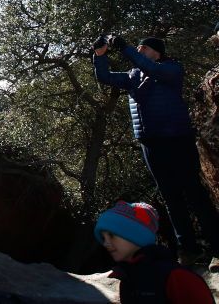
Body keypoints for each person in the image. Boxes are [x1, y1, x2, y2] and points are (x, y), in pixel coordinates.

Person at [93, 35, 219, 272]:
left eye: (145, 47)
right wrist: (99, 55)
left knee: (194, 193)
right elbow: (105, 77)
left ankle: (217, 249)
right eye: (138, 47)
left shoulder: (171, 69)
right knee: (171, 198)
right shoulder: (133, 76)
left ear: (158, 53)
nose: (140, 49)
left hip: (177, 139)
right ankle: (188, 251)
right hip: (150, 143)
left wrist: (125, 48)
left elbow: (149, 67)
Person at [94, 200, 214, 303]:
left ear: (135, 235)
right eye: (103, 238)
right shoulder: (126, 278)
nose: (106, 243)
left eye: (112, 235)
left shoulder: (177, 277)